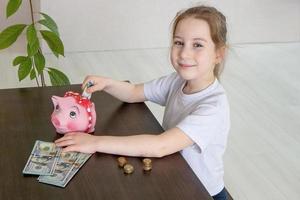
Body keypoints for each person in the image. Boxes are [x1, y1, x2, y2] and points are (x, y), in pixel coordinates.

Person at [55, 5, 230, 200]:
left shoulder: (213, 107)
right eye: (179, 42)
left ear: (218, 54)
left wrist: (95, 142)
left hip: (203, 192)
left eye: (197, 45)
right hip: (176, 177)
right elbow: (134, 92)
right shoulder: (177, 81)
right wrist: (107, 83)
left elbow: (160, 146)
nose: (184, 54)